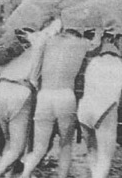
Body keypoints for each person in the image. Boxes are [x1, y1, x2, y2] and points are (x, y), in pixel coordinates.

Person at [20, 30, 94, 178]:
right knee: (65, 145)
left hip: (44, 95)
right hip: (66, 96)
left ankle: (24, 175)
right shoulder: (82, 44)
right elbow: (96, 44)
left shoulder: (47, 41)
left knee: (38, 149)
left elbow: (34, 74)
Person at [0, 20, 61, 178]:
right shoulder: (44, 41)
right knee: (17, 148)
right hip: (21, 91)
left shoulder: (15, 40)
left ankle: (8, 175)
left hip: (0, 89)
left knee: (9, 143)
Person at [78, 34, 122, 178]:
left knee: (92, 150)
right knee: (105, 157)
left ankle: (94, 174)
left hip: (84, 109)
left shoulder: (93, 62)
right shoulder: (120, 64)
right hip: (104, 110)